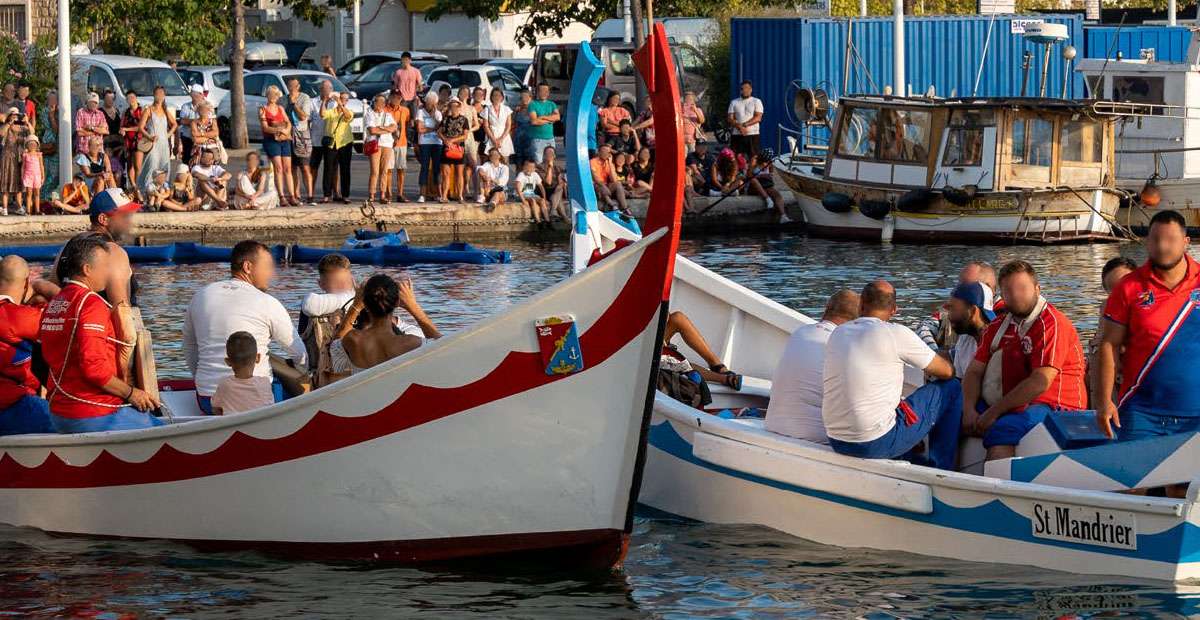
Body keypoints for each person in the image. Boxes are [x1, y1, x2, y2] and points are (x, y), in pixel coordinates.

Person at [822, 280, 959, 469]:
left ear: (861, 305)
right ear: (894, 310)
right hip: (874, 442)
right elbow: (946, 372)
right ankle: (942, 468)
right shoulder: (896, 334)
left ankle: (912, 458)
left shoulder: (838, 333)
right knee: (952, 388)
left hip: (836, 440)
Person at [962, 260, 1087, 460]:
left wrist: (994, 412)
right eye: (1008, 290)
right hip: (1011, 401)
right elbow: (974, 371)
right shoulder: (998, 325)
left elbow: (1040, 381)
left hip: (1055, 405)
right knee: (952, 413)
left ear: (1037, 289)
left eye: (1022, 288)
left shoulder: (1052, 324)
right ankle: (942, 472)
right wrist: (968, 409)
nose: (1016, 295)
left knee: (1004, 430)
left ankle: (996, 487)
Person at [1096, 210, 1200, 442]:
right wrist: (1104, 401)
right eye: (1155, 239)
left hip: (1196, 412)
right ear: (1146, 241)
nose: (1162, 246)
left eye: (1170, 240)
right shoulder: (1128, 287)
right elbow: (1109, 344)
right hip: (1141, 411)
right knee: (1136, 478)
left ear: (1186, 242)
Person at [40, 235, 161, 432]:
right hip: (92, 411)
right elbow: (93, 368)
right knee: (160, 429)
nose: (109, 272)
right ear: (87, 269)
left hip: (59, 411)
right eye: (105, 266)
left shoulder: (55, 303)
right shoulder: (91, 304)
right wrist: (132, 393)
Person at [182, 240, 307, 414]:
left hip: (207, 398)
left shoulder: (201, 295)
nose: (272, 274)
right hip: (256, 402)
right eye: (268, 267)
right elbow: (299, 354)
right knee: (294, 388)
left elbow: (189, 347)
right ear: (248, 267)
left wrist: (203, 378)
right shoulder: (267, 302)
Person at [766, 290, 860, 442]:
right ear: (856, 321)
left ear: (827, 307)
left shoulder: (800, 332)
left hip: (774, 424)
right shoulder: (843, 345)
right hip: (815, 435)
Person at [330, 274, 439, 375]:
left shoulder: (353, 340)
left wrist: (356, 305)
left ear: (365, 305)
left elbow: (334, 345)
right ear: (397, 303)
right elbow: (445, 348)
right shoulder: (412, 343)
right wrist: (412, 306)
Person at [0, 255, 58, 435]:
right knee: (68, 422)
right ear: (26, 283)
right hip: (11, 404)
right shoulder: (15, 315)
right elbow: (71, 314)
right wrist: (46, 288)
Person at [210, 332, 275, 415]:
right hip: (260, 424)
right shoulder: (265, 382)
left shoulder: (224, 384)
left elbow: (215, 407)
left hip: (234, 426)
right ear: (258, 358)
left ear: (228, 361)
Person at [944, 281, 995, 379]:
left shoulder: (998, 342)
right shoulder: (964, 339)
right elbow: (958, 382)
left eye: (952, 309)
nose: (948, 315)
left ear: (973, 311)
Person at [259, 85, 297, 207]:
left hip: (284, 139)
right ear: (267, 95)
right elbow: (265, 128)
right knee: (279, 168)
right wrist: (279, 131)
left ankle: (292, 195)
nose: (273, 97)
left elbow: (289, 123)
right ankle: (282, 196)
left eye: (275, 95)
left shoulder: (280, 108)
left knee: (288, 168)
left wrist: (286, 131)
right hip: (271, 140)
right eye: (271, 94)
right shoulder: (263, 109)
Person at [135, 86, 176, 193]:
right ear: (154, 95)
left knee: (164, 166)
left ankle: (163, 191)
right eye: (158, 93)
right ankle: (146, 191)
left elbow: (175, 124)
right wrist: (149, 136)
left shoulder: (165, 110)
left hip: (164, 143)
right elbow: (140, 127)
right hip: (153, 143)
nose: (160, 96)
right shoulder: (149, 110)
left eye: (162, 94)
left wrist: (168, 134)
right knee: (152, 165)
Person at [320, 91, 354, 204]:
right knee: (328, 169)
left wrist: (340, 103)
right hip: (331, 143)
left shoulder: (349, 111)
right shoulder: (332, 112)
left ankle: (345, 195)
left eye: (346, 99)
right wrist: (325, 100)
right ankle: (327, 195)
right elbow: (322, 114)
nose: (344, 100)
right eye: (342, 98)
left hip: (345, 143)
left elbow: (348, 116)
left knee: (345, 169)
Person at [286, 77, 315, 205]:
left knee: (305, 167)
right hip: (288, 136)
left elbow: (303, 116)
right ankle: (296, 195)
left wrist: (294, 104)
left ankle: (310, 195)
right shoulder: (283, 99)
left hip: (302, 136)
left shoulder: (305, 98)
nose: (291, 88)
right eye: (289, 86)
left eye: (293, 85)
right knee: (292, 168)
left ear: (298, 87)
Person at [364, 93, 396, 205]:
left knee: (384, 170)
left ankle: (383, 194)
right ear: (375, 102)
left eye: (383, 102)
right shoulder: (370, 114)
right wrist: (386, 129)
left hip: (387, 144)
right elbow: (372, 131)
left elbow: (394, 127)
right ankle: (372, 194)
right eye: (378, 102)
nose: (381, 104)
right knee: (375, 171)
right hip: (375, 144)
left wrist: (381, 128)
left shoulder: (388, 115)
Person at [437, 98, 469, 203]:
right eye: (452, 106)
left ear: (459, 107)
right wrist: (445, 140)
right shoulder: (446, 119)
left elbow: (465, 136)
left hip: (458, 148)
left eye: (456, 106)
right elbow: (439, 132)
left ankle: (460, 196)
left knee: (459, 173)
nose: (454, 108)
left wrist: (452, 140)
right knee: (445, 174)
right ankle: (444, 196)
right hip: (447, 148)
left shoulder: (464, 120)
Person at [308, 80, 336, 194]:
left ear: (331, 90)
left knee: (332, 168)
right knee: (313, 167)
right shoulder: (313, 102)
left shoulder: (335, 103)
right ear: (320, 90)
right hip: (316, 140)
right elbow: (308, 120)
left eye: (328, 89)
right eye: (324, 89)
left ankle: (335, 192)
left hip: (331, 140)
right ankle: (311, 192)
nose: (326, 91)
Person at [745, 150, 789, 223]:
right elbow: (749, 176)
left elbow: (771, 174)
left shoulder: (770, 163)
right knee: (753, 179)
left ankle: (783, 216)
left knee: (777, 195)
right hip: (753, 187)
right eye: (762, 160)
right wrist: (761, 175)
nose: (763, 162)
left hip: (765, 185)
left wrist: (769, 175)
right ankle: (767, 199)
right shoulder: (754, 160)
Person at [1, 108, 31, 215]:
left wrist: (27, 122)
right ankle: (4, 207)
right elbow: (1, 133)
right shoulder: (6, 126)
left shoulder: (22, 128)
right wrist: (9, 123)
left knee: (19, 184)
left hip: (19, 158)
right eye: (13, 115)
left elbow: (32, 133)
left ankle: (19, 206)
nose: (15, 117)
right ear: (9, 116)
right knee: (6, 181)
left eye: (16, 115)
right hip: (7, 158)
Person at [415, 91, 443, 204]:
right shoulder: (420, 112)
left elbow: (440, 126)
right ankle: (422, 194)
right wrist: (433, 129)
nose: (430, 105)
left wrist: (434, 114)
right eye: (428, 103)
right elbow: (419, 129)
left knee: (437, 169)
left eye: (432, 103)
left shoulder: (438, 113)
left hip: (437, 143)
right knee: (424, 168)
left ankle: (439, 194)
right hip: (424, 142)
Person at [728, 80, 764, 158]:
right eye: (743, 88)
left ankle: (750, 171)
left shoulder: (756, 101)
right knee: (734, 157)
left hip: (752, 134)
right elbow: (730, 119)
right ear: (740, 90)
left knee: (754, 157)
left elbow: (758, 117)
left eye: (747, 88)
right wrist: (740, 127)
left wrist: (744, 125)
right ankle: (737, 170)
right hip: (737, 134)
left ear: (751, 90)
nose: (745, 90)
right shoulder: (734, 102)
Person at [385, 91, 410, 203]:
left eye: (399, 98)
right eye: (394, 97)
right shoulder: (385, 110)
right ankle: (388, 193)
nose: (396, 99)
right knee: (388, 169)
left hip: (401, 143)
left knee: (401, 169)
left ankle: (400, 193)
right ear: (390, 97)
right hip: (388, 143)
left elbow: (407, 124)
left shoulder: (405, 110)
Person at [457, 85, 481, 198]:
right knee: (460, 166)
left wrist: (468, 130)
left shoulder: (472, 108)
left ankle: (477, 191)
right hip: (458, 138)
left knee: (473, 165)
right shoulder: (455, 107)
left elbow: (477, 125)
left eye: (466, 92)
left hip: (469, 138)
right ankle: (461, 192)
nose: (464, 94)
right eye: (462, 92)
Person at [590, 144, 628, 215]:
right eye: (605, 151)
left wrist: (610, 164)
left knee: (618, 184)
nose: (607, 154)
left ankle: (625, 208)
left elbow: (614, 180)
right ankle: (612, 205)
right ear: (599, 152)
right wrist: (603, 186)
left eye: (608, 152)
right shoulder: (592, 162)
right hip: (596, 186)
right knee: (601, 187)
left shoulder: (609, 163)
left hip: (606, 186)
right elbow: (595, 179)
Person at [37, 90, 60, 204]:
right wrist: (51, 115)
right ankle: (42, 199)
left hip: (58, 144)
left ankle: (51, 198)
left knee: (55, 176)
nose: (52, 101)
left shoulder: (61, 111)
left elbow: (58, 130)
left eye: (54, 99)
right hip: (48, 142)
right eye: (50, 99)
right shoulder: (44, 111)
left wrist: (53, 115)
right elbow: (52, 129)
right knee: (46, 173)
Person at [527, 84, 559, 164]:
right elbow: (534, 121)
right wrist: (550, 119)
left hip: (550, 138)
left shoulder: (552, 104)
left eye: (546, 91)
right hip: (537, 139)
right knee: (538, 163)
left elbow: (557, 117)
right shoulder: (533, 104)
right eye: (541, 90)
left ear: (548, 93)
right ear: (537, 92)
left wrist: (543, 117)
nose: (544, 93)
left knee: (550, 162)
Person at [119, 91, 143, 197]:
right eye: (128, 98)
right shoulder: (126, 112)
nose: (131, 99)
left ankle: (139, 187)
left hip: (139, 140)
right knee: (130, 166)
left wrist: (126, 129)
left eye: (132, 97)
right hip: (128, 142)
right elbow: (121, 126)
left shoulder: (142, 111)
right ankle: (134, 187)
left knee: (138, 165)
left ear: (136, 98)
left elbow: (141, 127)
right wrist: (123, 131)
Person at [483, 87, 514, 162]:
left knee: (505, 161)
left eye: (499, 95)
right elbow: (485, 126)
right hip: (491, 136)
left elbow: (508, 125)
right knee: (491, 161)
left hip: (504, 137)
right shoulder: (487, 109)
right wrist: (493, 140)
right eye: (495, 95)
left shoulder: (507, 109)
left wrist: (501, 139)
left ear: (502, 97)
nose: (497, 97)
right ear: (491, 97)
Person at [177, 84, 206, 163]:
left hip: (201, 139)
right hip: (187, 138)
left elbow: (206, 121)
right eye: (193, 94)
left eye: (196, 94)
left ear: (201, 94)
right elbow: (182, 121)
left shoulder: (206, 106)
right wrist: (196, 121)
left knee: (200, 161)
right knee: (186, 160)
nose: (194, 96)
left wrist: (190, 121)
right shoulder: (185, 106)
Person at [514, 158, 547, 225]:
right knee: (532, 200)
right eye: (528, 167)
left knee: (542, 201)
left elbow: (541, 187)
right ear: (524, 167)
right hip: (520, 195)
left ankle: (547, 221)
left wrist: (544, 198)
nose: (530, 169)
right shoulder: (521, 174)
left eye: (532, 167)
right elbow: (518, 188)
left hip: (531, 194)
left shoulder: (535, 174)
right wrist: (523, 200)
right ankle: (538, 221)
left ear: (534, 168)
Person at [391, 51, 424, 116]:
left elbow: (420, 87)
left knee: (413, 118)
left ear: (410, 60)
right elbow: (395, 87)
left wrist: (419, 89)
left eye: (406, 60)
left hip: (413, 99)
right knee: (403, 117)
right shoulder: (398, 72)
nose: (404, 62)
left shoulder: (416, 71)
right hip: (402, 99)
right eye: (403, 60)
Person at [538, 145, 566, 220]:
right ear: (544, 155)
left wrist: (560, 184)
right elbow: (548, 182)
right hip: (544, 191)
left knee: (560, 189)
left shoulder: (557, 167)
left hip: (555, 191)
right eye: (547, 154)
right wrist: (550, 167)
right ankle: (559, 214)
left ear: (554, 156)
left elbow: (560, 182)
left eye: (551, 153)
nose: (549, 155)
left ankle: (556, 213)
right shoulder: (539, 167)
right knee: (558, 198)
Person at [21, 136, 42, 215]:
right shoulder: (25, 155)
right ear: (27, 145)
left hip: (37, 176)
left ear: (37, 145)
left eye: (34, 144)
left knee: (37, 193)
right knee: (29, 193)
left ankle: (37, 210)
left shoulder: (39, 155)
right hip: (28, 176)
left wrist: (43, 176)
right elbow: (23, 166)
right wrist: (22, 176)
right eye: (30, 144)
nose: (32, 146)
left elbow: (41, 166)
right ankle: (28, 210)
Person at [512, 90, 532, 168]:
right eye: (522, 97)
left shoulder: (534, 110)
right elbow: (512, 124)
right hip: (518, 141)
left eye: (526, 97)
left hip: (530, 141)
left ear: (531, 98)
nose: (524, 99)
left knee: (529, 165)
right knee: (519, 164)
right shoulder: (517, 110)